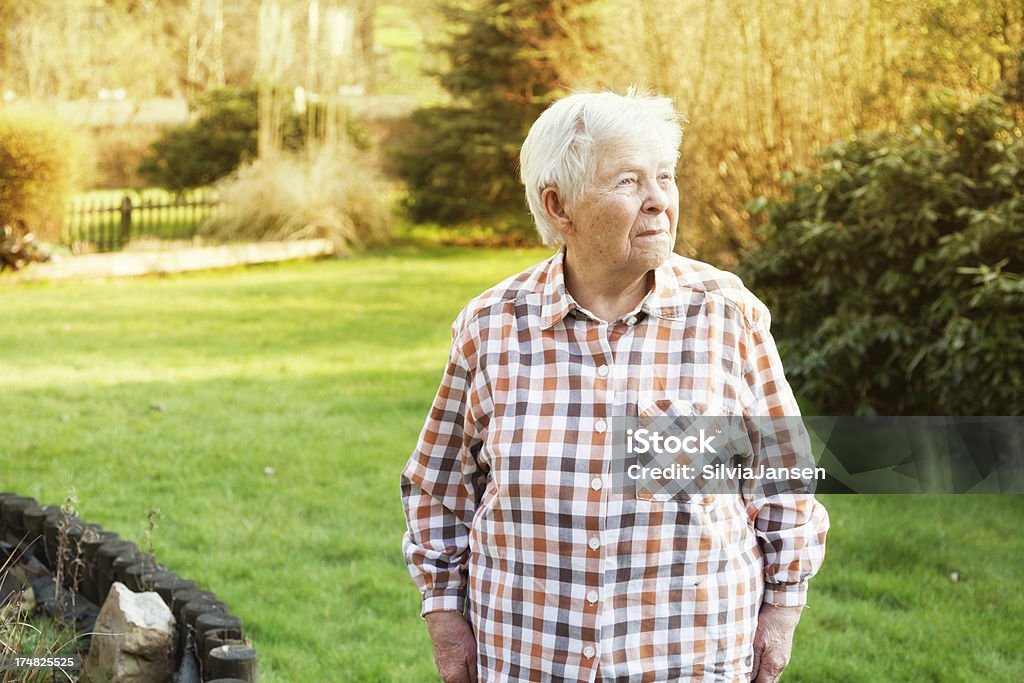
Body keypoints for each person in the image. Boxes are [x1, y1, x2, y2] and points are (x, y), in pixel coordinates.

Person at [401, 89, 829, 682]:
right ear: (559, 207)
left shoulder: (728, 315)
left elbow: (785, 476)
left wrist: (782, 609)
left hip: (690, 657)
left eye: (665, 177)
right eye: (629, 182)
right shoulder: (491, 327)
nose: (658, 202)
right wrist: (445, 619)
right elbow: (438, 489)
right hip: (530, 656)